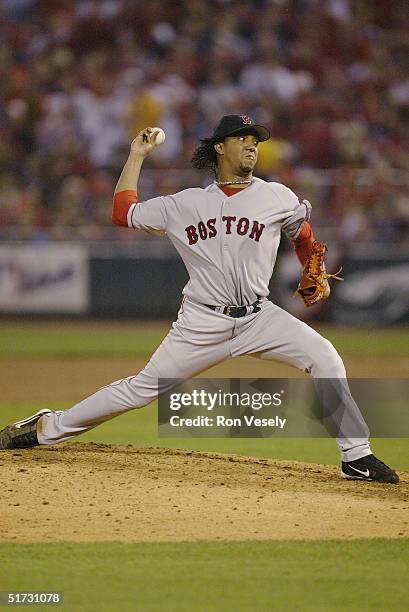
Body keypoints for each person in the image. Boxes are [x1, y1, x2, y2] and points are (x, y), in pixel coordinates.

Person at [0, 114, 398, 484]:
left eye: (254, 140)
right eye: (241, 139)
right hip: (202, 322)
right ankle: (48, 428)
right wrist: (136, 155)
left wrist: (310, 262)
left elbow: (304, 236)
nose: (251, 146)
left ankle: (355, 456)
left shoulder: (276, 195)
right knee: (141, 389)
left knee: (324, 355)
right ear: (219, 148)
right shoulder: (185, 204)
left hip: (260, 318)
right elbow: (123, 212)